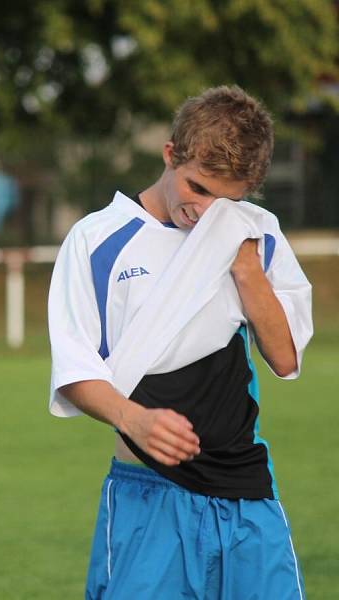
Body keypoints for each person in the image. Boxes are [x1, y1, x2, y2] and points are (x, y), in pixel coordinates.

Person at [48, 85, 313, 599]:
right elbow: (75, 370)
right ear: (170, 155)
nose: (206, 210)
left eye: (227, 199)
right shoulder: (96, 240)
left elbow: (284, 357)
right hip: (149, 496)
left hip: (247, 495)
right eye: (197, 188)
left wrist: (243, 266)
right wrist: (135, 420)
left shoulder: (256, 233)